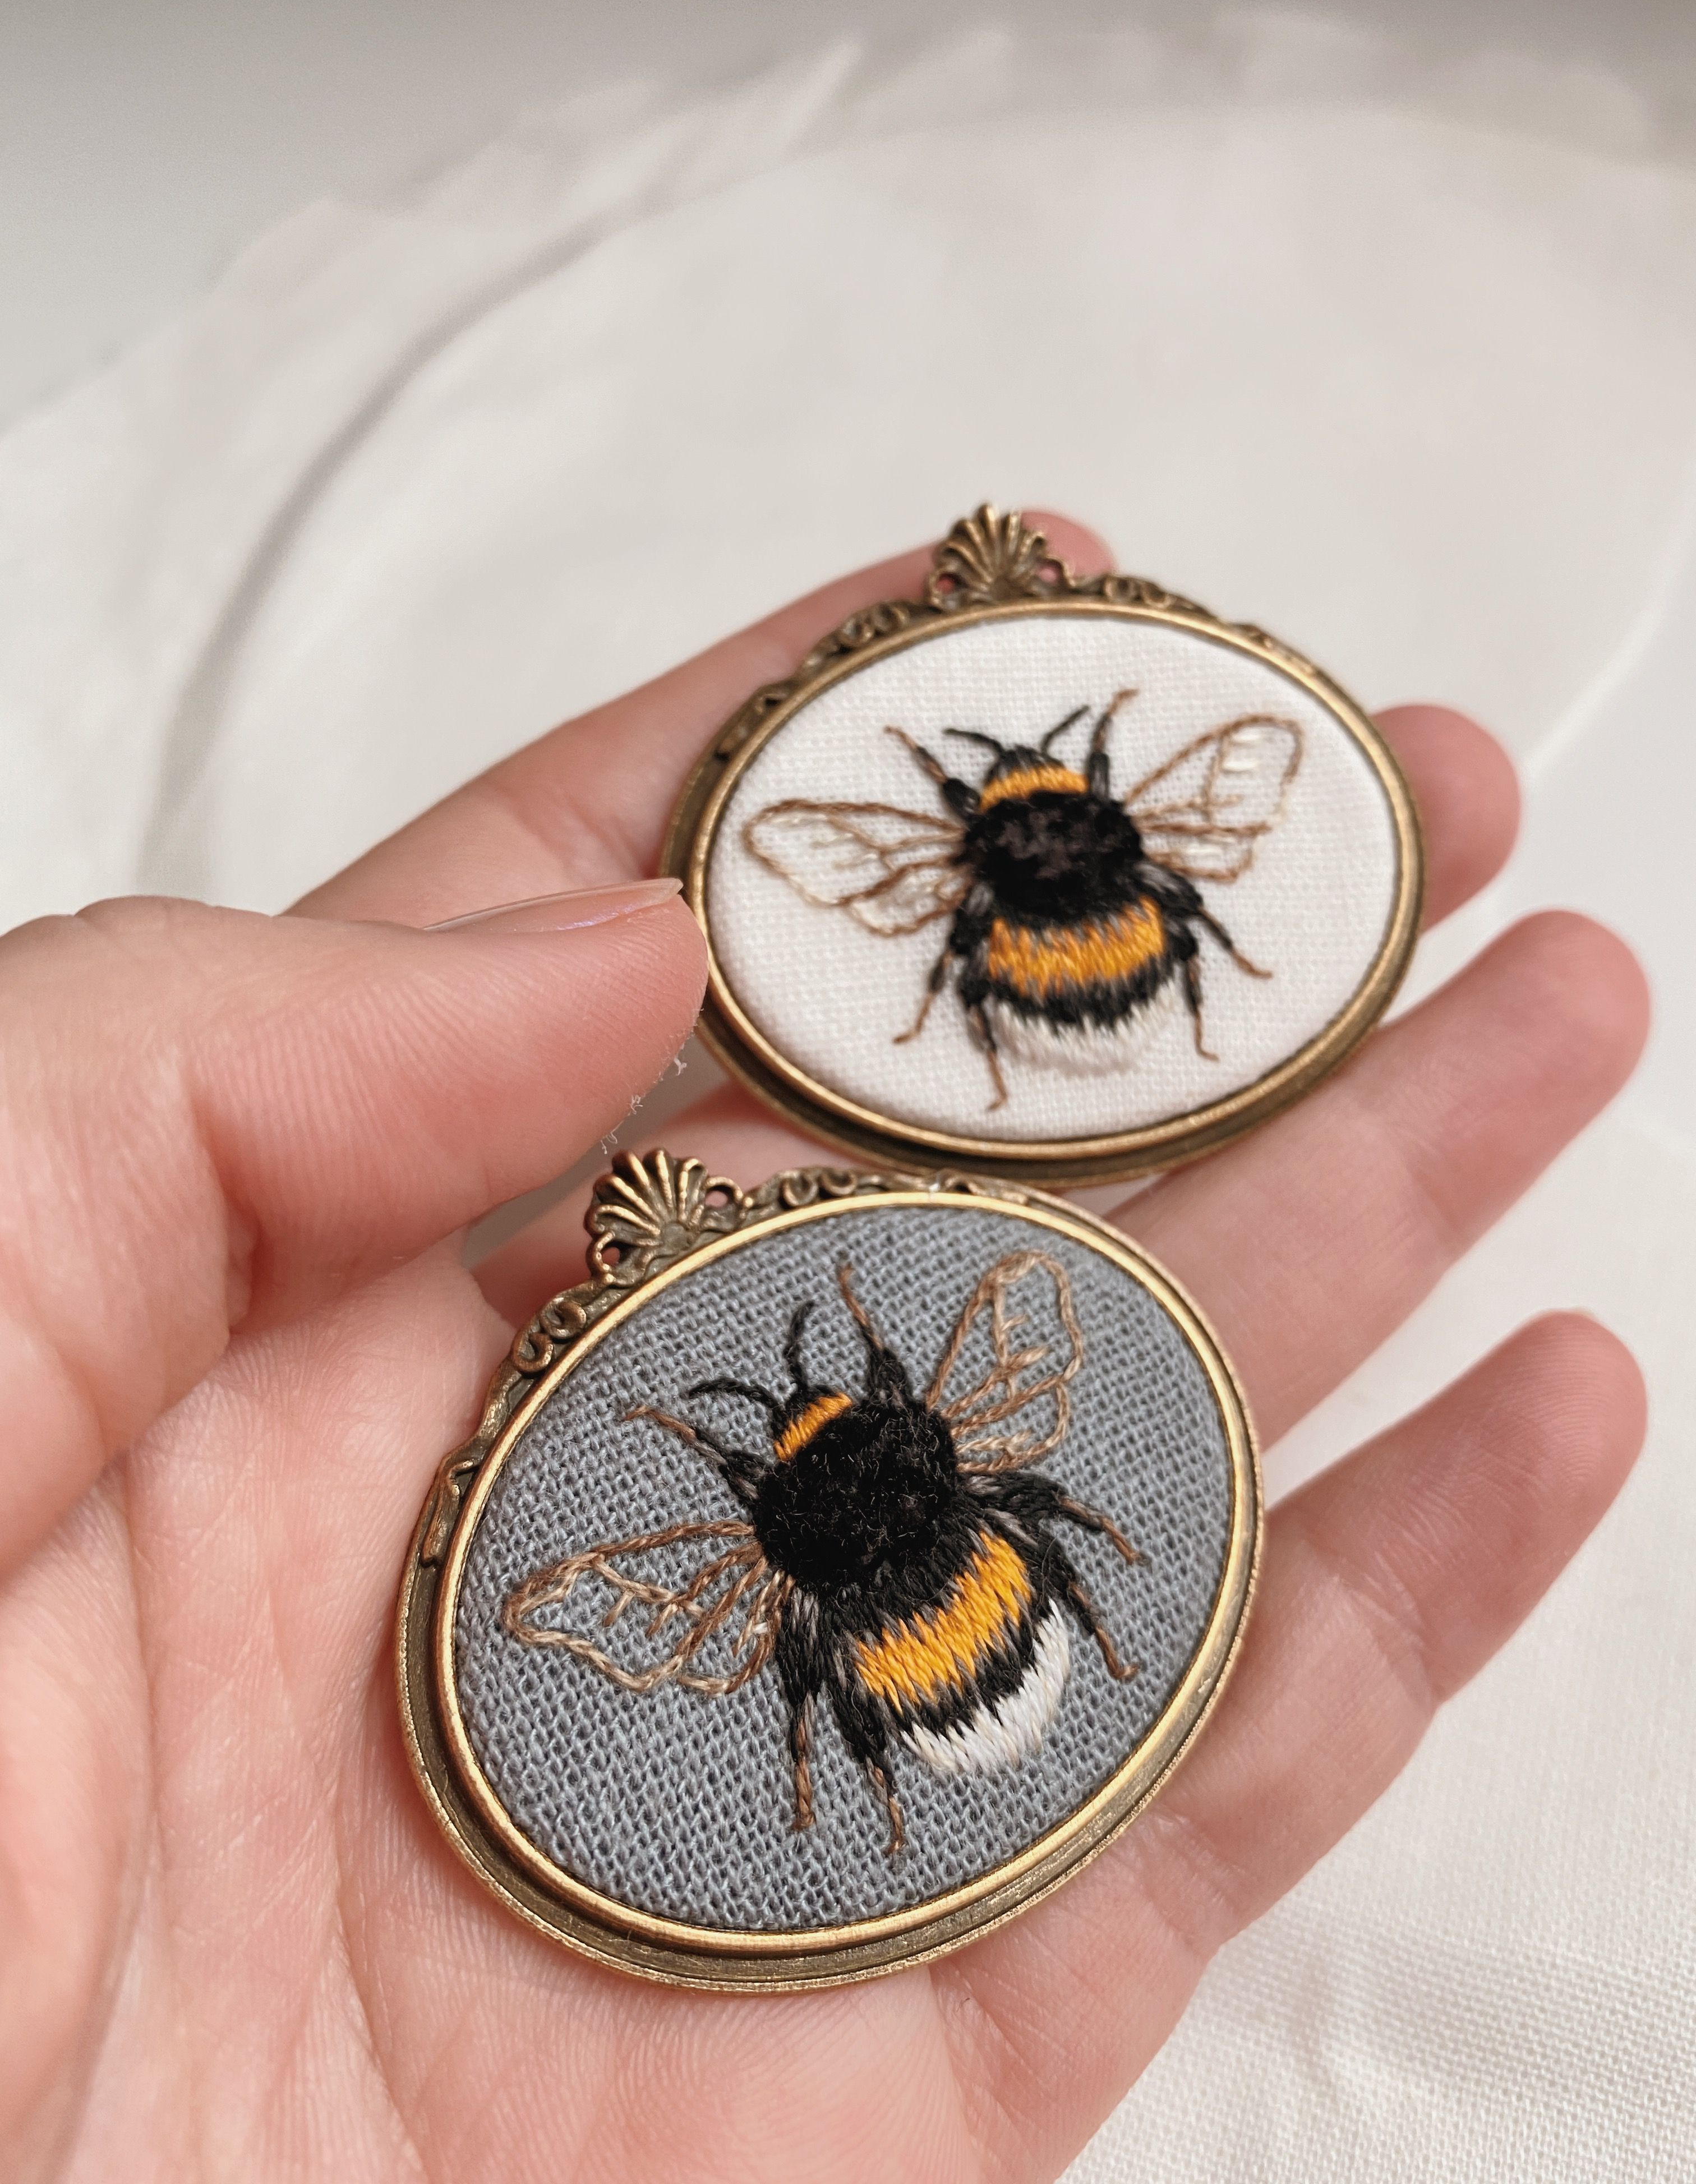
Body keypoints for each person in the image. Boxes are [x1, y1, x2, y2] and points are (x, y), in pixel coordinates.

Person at [0, 519, 1646, 2181]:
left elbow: (711, 1602)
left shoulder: (755, 1553)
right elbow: (1001, 1421)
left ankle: (854, 1780)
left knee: (842, 1667)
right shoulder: (957, 1402)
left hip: (921, 1596)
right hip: (1088, 1064)